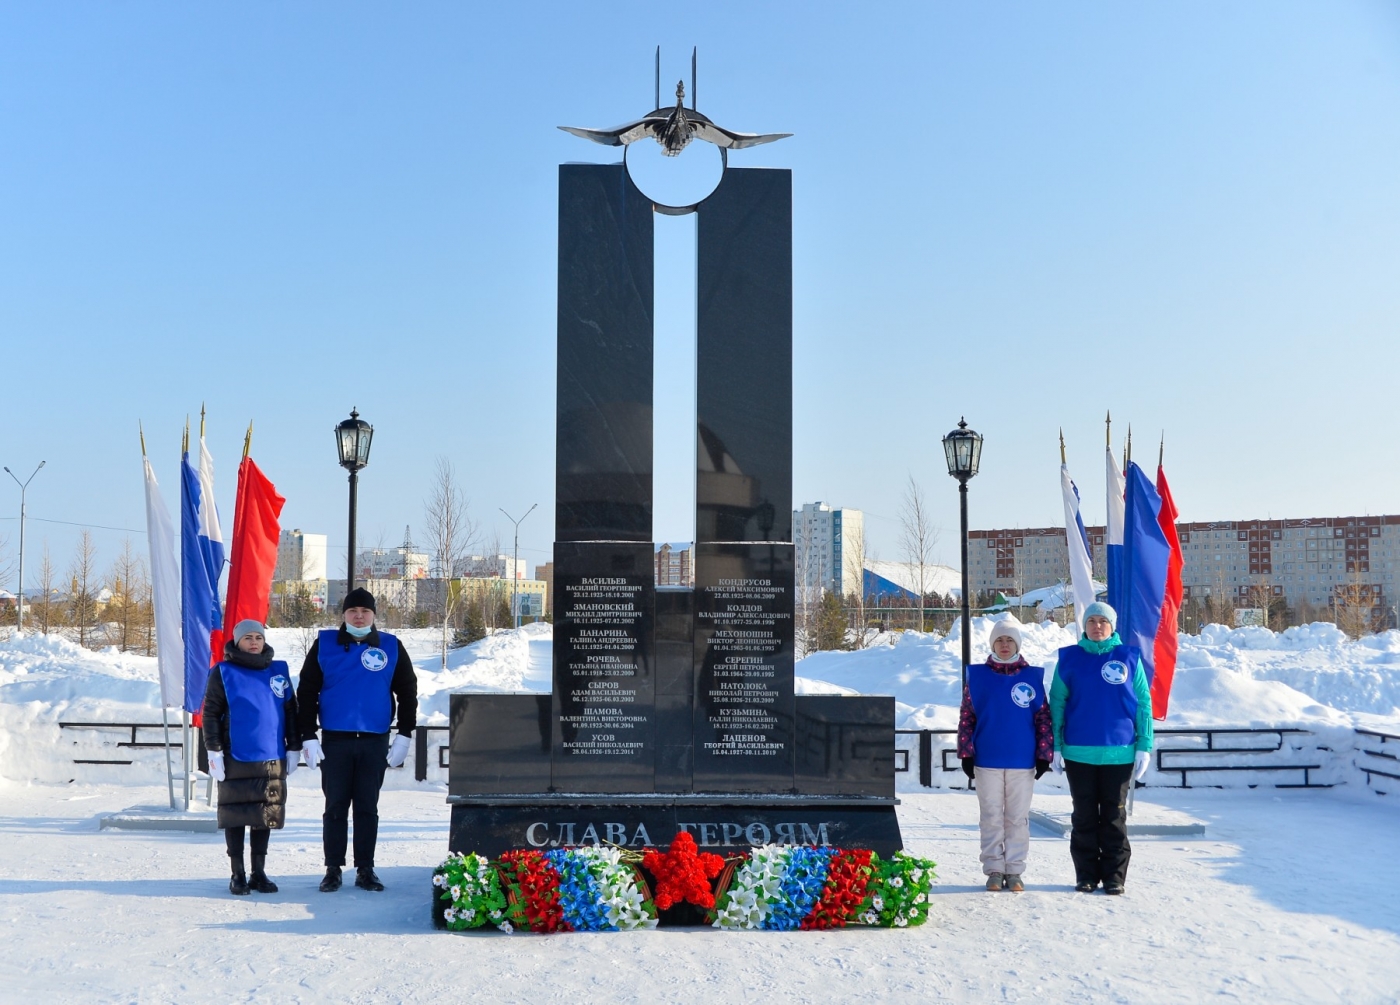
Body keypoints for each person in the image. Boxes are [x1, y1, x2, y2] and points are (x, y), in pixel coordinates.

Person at [296, 587, 417, 893]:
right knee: (335, 806)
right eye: (353, 611)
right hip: (335, 741)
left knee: (367, 807)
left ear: (374, 615)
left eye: (365, 611)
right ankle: (333, 868)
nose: (359, 616)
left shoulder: (391, 646)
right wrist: (308, 735)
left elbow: (407, 691)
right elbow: (307, 692)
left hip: (374, 740)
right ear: (344, 615)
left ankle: (366, 868)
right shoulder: (325, 645)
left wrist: (404, 733)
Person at [1049, 601, 1154, 895]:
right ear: (1084, 625)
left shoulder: (1129, 657)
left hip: (1119, 752)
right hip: (1078, 752)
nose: (1097, 626)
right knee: (1083, 816)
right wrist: (1056, 746)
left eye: (1103, 621)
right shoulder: (1069, 659)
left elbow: (1143, 704)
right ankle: (1086, 875)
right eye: (1092, 621)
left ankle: (1114, 876)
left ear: (1112, 626)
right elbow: (1057, 702)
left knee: (1113, 816)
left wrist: (1144, 744)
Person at [202, 620, 301, 896]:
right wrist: (214, 749)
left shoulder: (278, 671)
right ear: (237, 641)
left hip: (272, 758)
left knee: (264, 815)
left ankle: (259, 872)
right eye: (248, 638)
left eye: (259, 636)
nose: (254, 642)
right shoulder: (223, 672)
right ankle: (238, 873)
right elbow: (210, 713)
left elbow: (291, 712)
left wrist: (294, 746)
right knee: (235, 816)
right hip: (236, 756)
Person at [956, 616, 1053, 893]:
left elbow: (1043, 718)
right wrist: (966, 752)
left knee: (1017, 818)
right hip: (988, 760)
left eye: (1010, 639)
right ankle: (994, 869)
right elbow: (967, 717)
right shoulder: (977, 677)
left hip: (1022, 761)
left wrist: (1044, 754)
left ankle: (1015, 870)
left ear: (1018, 644)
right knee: (990, 817)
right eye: (999, 639)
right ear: (992, 644)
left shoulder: (1031, 677)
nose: (1005, 644)